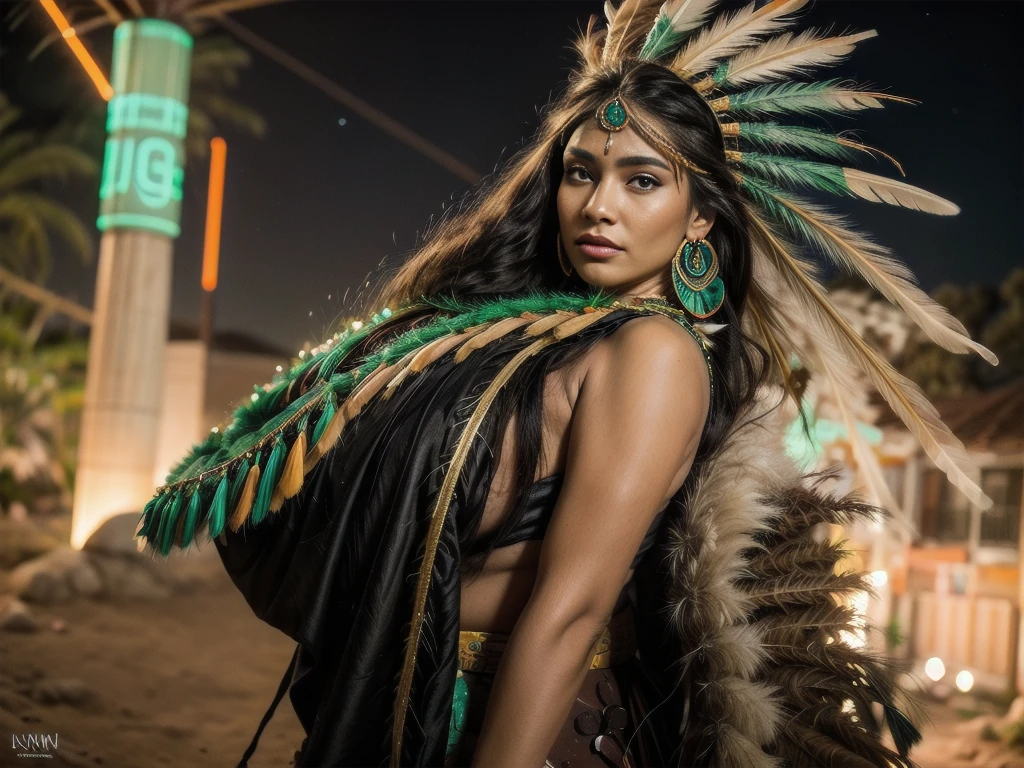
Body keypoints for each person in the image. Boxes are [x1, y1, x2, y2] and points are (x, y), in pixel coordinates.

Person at [136, 1, 997, 766]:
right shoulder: (555, 337)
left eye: (642, 180)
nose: (599, 206)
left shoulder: (655, 354)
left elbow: (571, 609)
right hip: (429, 696)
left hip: (527, 725)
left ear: (700, 215)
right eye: (581, 172)